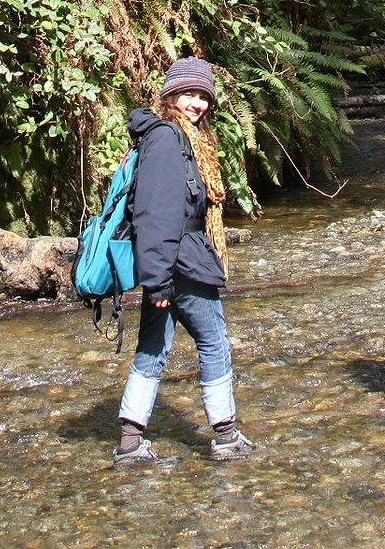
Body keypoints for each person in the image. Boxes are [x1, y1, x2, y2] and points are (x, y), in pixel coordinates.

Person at [113, 56, 255, 464]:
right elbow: (155, 213)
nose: (197, 103)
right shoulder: (166, 140)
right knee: (214, 342)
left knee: (153, 347)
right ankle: (226, 435)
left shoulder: (174, 136)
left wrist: (157, 277)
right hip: (180, 262)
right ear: (170, 94)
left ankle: (129, 441)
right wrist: (158, 280)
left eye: (203, 96)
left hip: (172, 261)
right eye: (189, 94)